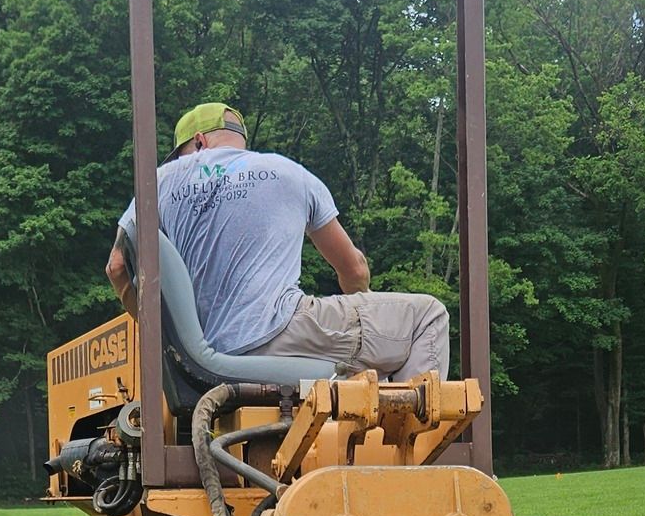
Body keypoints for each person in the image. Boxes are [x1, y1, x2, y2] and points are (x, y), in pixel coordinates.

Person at [107, 102, 450, 381]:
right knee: (427, 316)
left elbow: (117, 266)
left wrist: (171, 336)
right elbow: (354, 269)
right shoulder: (288, 172)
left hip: (207, 351)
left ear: (198, 142)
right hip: (283, 331)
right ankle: (409, 450)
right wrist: (369, 326)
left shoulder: (159, 182)